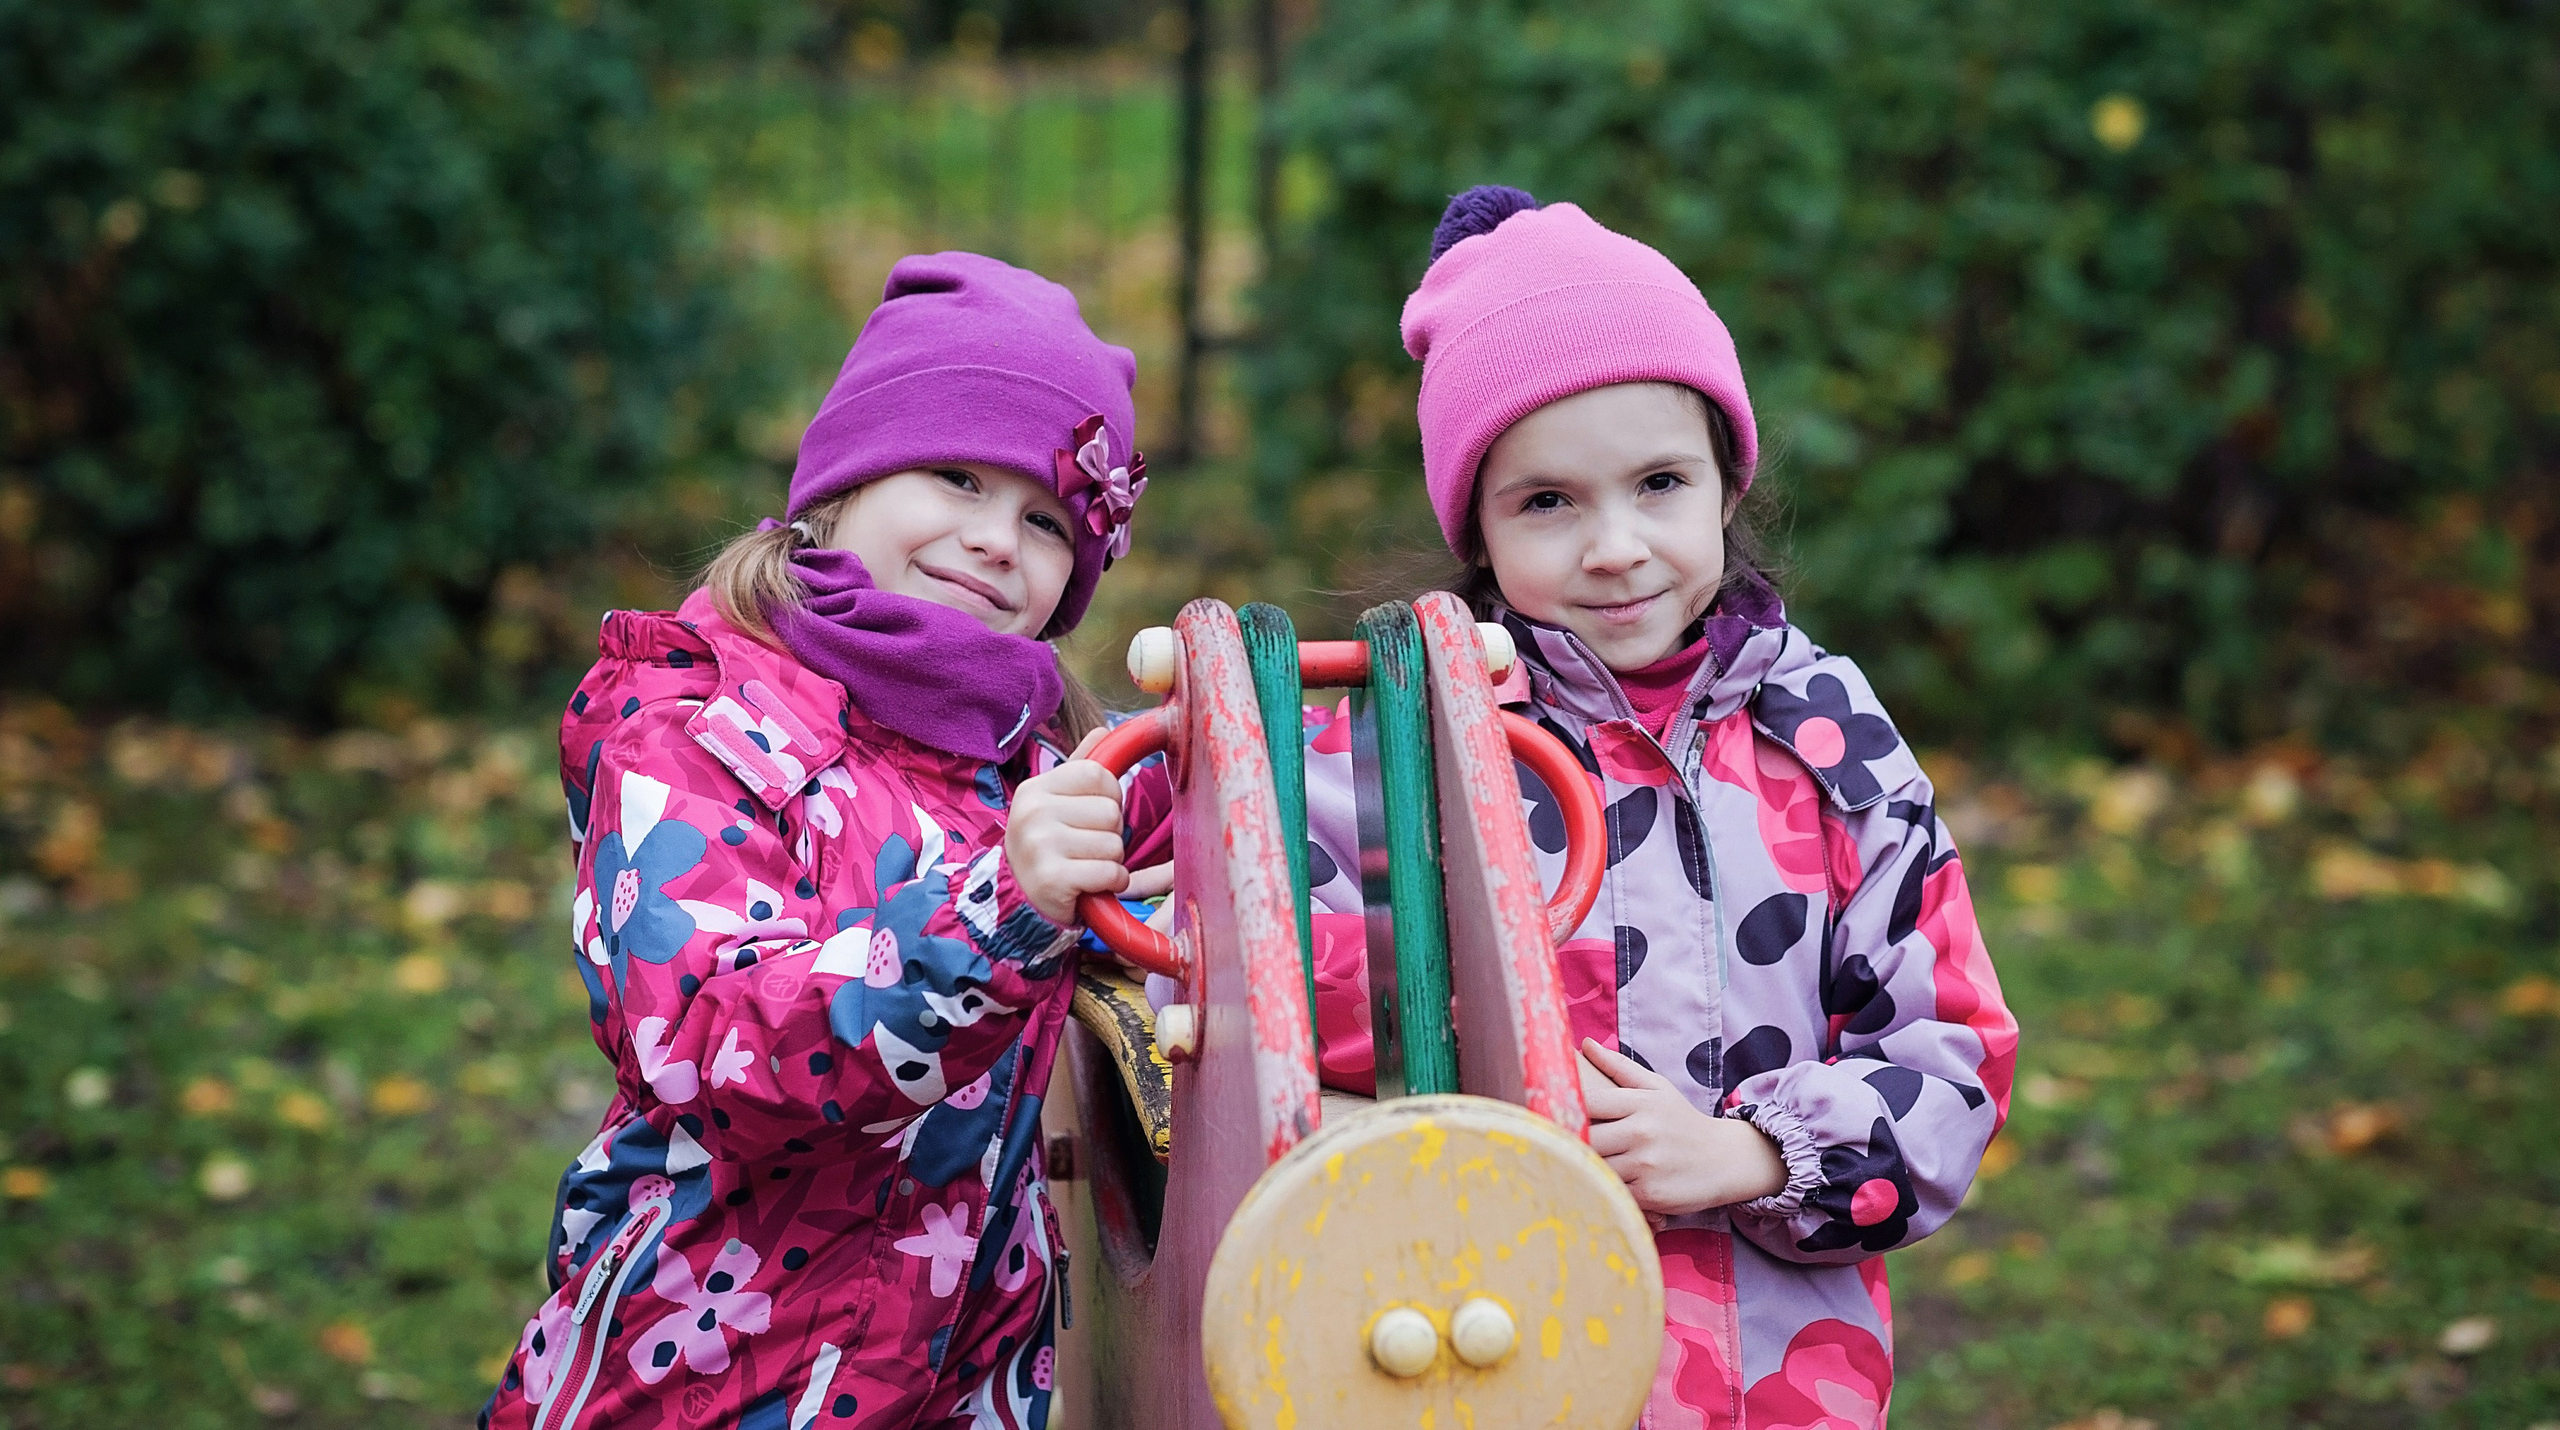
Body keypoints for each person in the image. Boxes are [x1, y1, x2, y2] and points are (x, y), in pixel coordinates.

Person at [1298, 188, 2019, 1429]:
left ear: (1726, 484)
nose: (1616, 546)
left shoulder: (1827, 737)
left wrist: (1753, 1153)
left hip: (1778, 1371)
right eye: (1547, 502)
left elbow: (1951, 1052)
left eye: (1657, 482)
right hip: (1481, 1347)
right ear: (1474, 523)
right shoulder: (1401, 743)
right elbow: (1269, 998)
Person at [482, 252, 1155, 1430]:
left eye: (1047, 521)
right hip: (704, 1375)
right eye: (955, 477)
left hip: (958, 1377)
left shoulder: (1037, 770)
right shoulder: (687, 726)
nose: (997, 540)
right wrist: (1001, 914)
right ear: (841, 483)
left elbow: (1191, 929)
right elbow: (716, 1046)